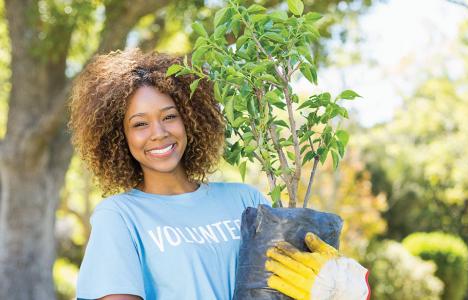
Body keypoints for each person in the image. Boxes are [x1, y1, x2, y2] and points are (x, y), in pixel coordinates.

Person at [70, 48, 369, 300]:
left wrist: (337, 289)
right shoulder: (120, 216)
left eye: (169, 116)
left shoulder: (245, 200)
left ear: (190, 118)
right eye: (139, 124)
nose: (158, 133)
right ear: (118, 136)